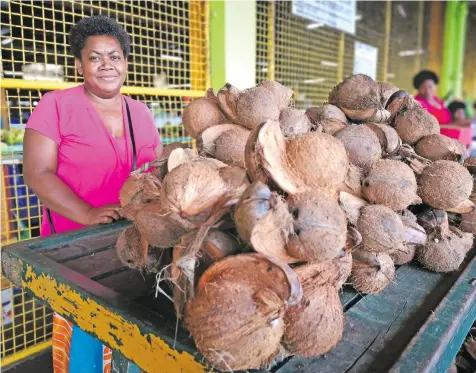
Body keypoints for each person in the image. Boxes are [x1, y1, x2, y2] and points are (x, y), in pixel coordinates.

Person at [23, 16, 162, 373]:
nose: (106, 66)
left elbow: (155, 172)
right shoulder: (55, 105)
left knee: (135, 342)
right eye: (95, 57)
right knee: (84, 345)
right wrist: (86, 212)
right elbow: (37, 173)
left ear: (126, 63)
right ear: (79, 64)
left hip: (134, 246)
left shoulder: (141, 113)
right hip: (75, 249)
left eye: (114, 56)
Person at [413, 70, 471, 144]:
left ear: (435, 86)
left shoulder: (437, 100)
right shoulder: (418, 103)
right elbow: (427, 127)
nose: (427, 91)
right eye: (423, 87)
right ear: (418, 88)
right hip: (435, 144)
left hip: (450, 141)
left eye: (430, 87)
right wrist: (455, 125)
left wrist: (459, 121)